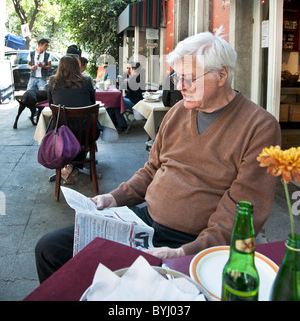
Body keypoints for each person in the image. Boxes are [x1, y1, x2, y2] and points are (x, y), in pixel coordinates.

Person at [35, 29, 281, 282]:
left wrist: (186, 252)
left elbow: (243, 208)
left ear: (222, 75)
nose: (180, 86)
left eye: (189, 78)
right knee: (50, 249)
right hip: (143, 222)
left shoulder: (259, 126)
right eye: (177, 77)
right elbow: (151, 170)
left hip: (194, 241)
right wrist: (112, 198)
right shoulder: (177, 113)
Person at [47, 55, 100, 184]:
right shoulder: (87, 81)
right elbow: (92, 103)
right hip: (86, 134)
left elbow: (51, 105)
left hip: (61, 135)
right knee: (84, 135)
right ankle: (75, 167)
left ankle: (69, 166)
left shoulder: (52, 82)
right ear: (77, 67)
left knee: (66, 134)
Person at [108, 62, 145, 131]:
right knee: (115, 100)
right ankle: (116, 122)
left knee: (115, 101)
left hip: (135, 103)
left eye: (130, 68)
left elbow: (123, 85)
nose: (129, 70)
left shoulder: (135, 78)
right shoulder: (137, 77)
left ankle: (121, 125)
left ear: (134, 70)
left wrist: (120, 79)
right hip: (136, 101)